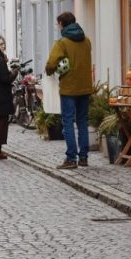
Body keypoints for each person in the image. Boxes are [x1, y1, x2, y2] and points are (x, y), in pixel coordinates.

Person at [44, 12, 94, 170]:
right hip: (85, 87)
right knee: (82, 122)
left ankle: (71, 158)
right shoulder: (86, 41)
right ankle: (84, 157)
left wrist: (50, 71)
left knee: (68, 121)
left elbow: (51, 63)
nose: (57, 27)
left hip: (69, 88)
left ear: (62, 24)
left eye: (58, 24)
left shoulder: (62, 43)